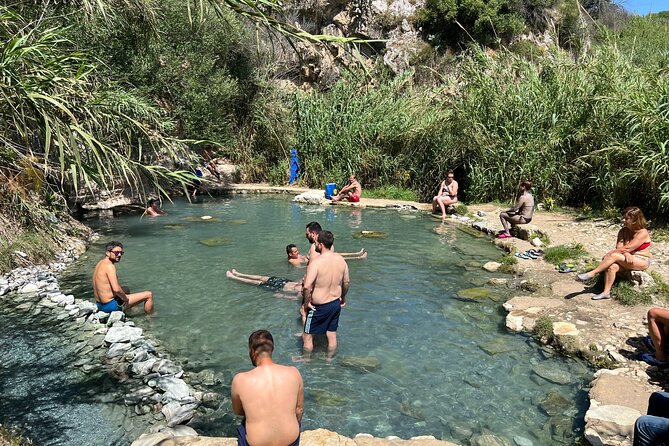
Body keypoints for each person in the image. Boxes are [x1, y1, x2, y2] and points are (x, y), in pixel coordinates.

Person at [231, 330, 304, 446]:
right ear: (272, 350)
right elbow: (299, 410)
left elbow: (238, 411)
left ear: (253, 351)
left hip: (257, 443)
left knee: (245, 424)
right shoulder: (294, 372)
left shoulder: (240, 379)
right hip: (290, 441)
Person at [577, 207, 651, 300]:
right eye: (623, 217)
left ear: (635, 220)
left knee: (613, 255)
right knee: (612, 267)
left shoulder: (642, 232)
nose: (624, 220)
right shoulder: (623, 231)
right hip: (626, 258)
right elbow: (620, 247)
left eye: (627, 219)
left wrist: (613, 253)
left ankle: (592, 273)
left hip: (641, 260)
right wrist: (626, 254)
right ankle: (606, 292)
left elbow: (629, 247)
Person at [302, 230, 349, 356]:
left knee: (307, 335)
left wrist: (307, 303)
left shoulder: (316, 262)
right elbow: (346, 282)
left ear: (321, 244)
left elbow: (306, 286)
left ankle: (305, 360)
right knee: (332, 334)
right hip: (335, 303)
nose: (315, 245)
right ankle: (330, 360)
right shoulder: (341, 260)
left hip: (319, 306)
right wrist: (343, 297)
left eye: (316, 242)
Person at [92, 241, 154, 314]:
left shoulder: (101, 263)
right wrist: (125, 299)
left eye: (121, 253)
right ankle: (150, 319)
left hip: (100, 304)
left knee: (126, 289)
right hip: (109, 306)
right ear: (108, 253)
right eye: (116, 253)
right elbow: (116, 290)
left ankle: (132, 309)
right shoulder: (110, 266)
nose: (119, 255)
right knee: (148, 295)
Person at [226, 269, 303, 299]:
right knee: (262, 277)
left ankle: (233, 277)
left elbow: (296, 298)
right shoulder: (309, 282)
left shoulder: (306, 291)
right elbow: (299, 280)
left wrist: (283, 296)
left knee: (257, 282)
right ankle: (239, 274)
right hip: (285, 281)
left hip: (279, 287)